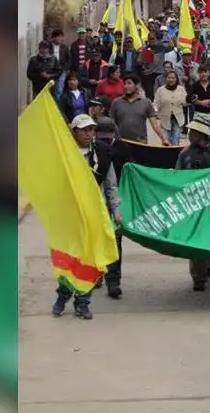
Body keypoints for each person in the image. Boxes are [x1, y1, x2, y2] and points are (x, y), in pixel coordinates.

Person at [52, 114, 124, 319]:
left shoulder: (102, 153)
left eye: (91, 129)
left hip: (94, 214)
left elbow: (110, 185)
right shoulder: (64, 153)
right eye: (84, 129)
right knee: (69, 259)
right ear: (73, 131)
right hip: (70, 214)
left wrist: (116, 210)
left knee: (90, 260)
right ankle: (62, 296)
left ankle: (82, 302)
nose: (88, 133)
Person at [176, 116, 210, 292]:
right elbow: (178, 177)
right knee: (197, 239)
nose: (189, 134)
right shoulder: (185, 154)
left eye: (193, 131)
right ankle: (199, 276)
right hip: (195, 205)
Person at [110, 74, 170, 145]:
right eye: (124, 84)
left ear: (137, 86)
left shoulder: (146, 102)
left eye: (129, 83)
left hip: (140, 143)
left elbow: (155, 125)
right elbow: (111, 123)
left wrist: (163, 139)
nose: (126, 86)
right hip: (121, 143)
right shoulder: (116, 102)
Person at [153, 70, 187, 145]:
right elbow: (155, 103)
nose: (170, 80)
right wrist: (156, 111)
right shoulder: (160, 90)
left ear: (176, 79)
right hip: (164, 119)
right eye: (169, 77)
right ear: (166, 79)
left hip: (178, 119)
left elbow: (185, 102)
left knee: (176, 141)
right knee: (165, 141)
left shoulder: (181, 89)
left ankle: (175, 156)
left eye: (173, 78)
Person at [190, 65, 210, 131]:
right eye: (201, 72)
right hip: (199, 114)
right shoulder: (195, 86)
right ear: (198, 74)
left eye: (205, 72)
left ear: (209, 73)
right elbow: (191, 99)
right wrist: (201, 103)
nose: (203, 74)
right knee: (200, 136)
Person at [140, 34, 167, 99]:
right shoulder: (146, 48)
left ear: (156, 39)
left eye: (153, 38)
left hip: (159, 73)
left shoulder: (162, 47)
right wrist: (144, 57)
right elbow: (139, 61)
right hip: (148, 74)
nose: (152, 40)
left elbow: (172, 46)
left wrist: (167, 35)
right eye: (150, 39)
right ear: (148, 40)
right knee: (150, 93)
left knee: (160, 93)